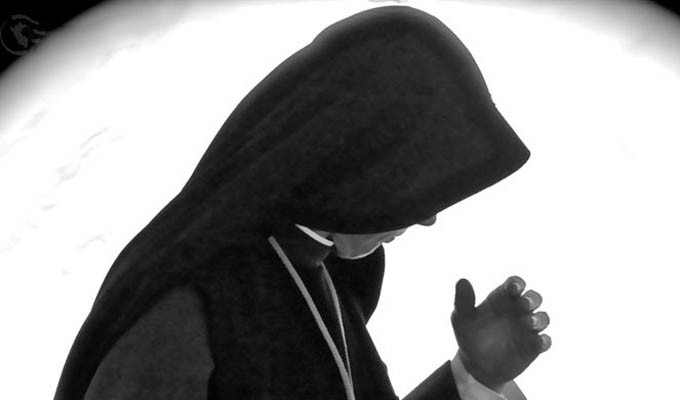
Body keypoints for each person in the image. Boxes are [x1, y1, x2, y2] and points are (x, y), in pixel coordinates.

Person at [55, 5, 550, 400]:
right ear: (357, 158)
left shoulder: (320, 274)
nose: (427, 216)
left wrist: (474, 378)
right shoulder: (191, 304)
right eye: (412, 176)